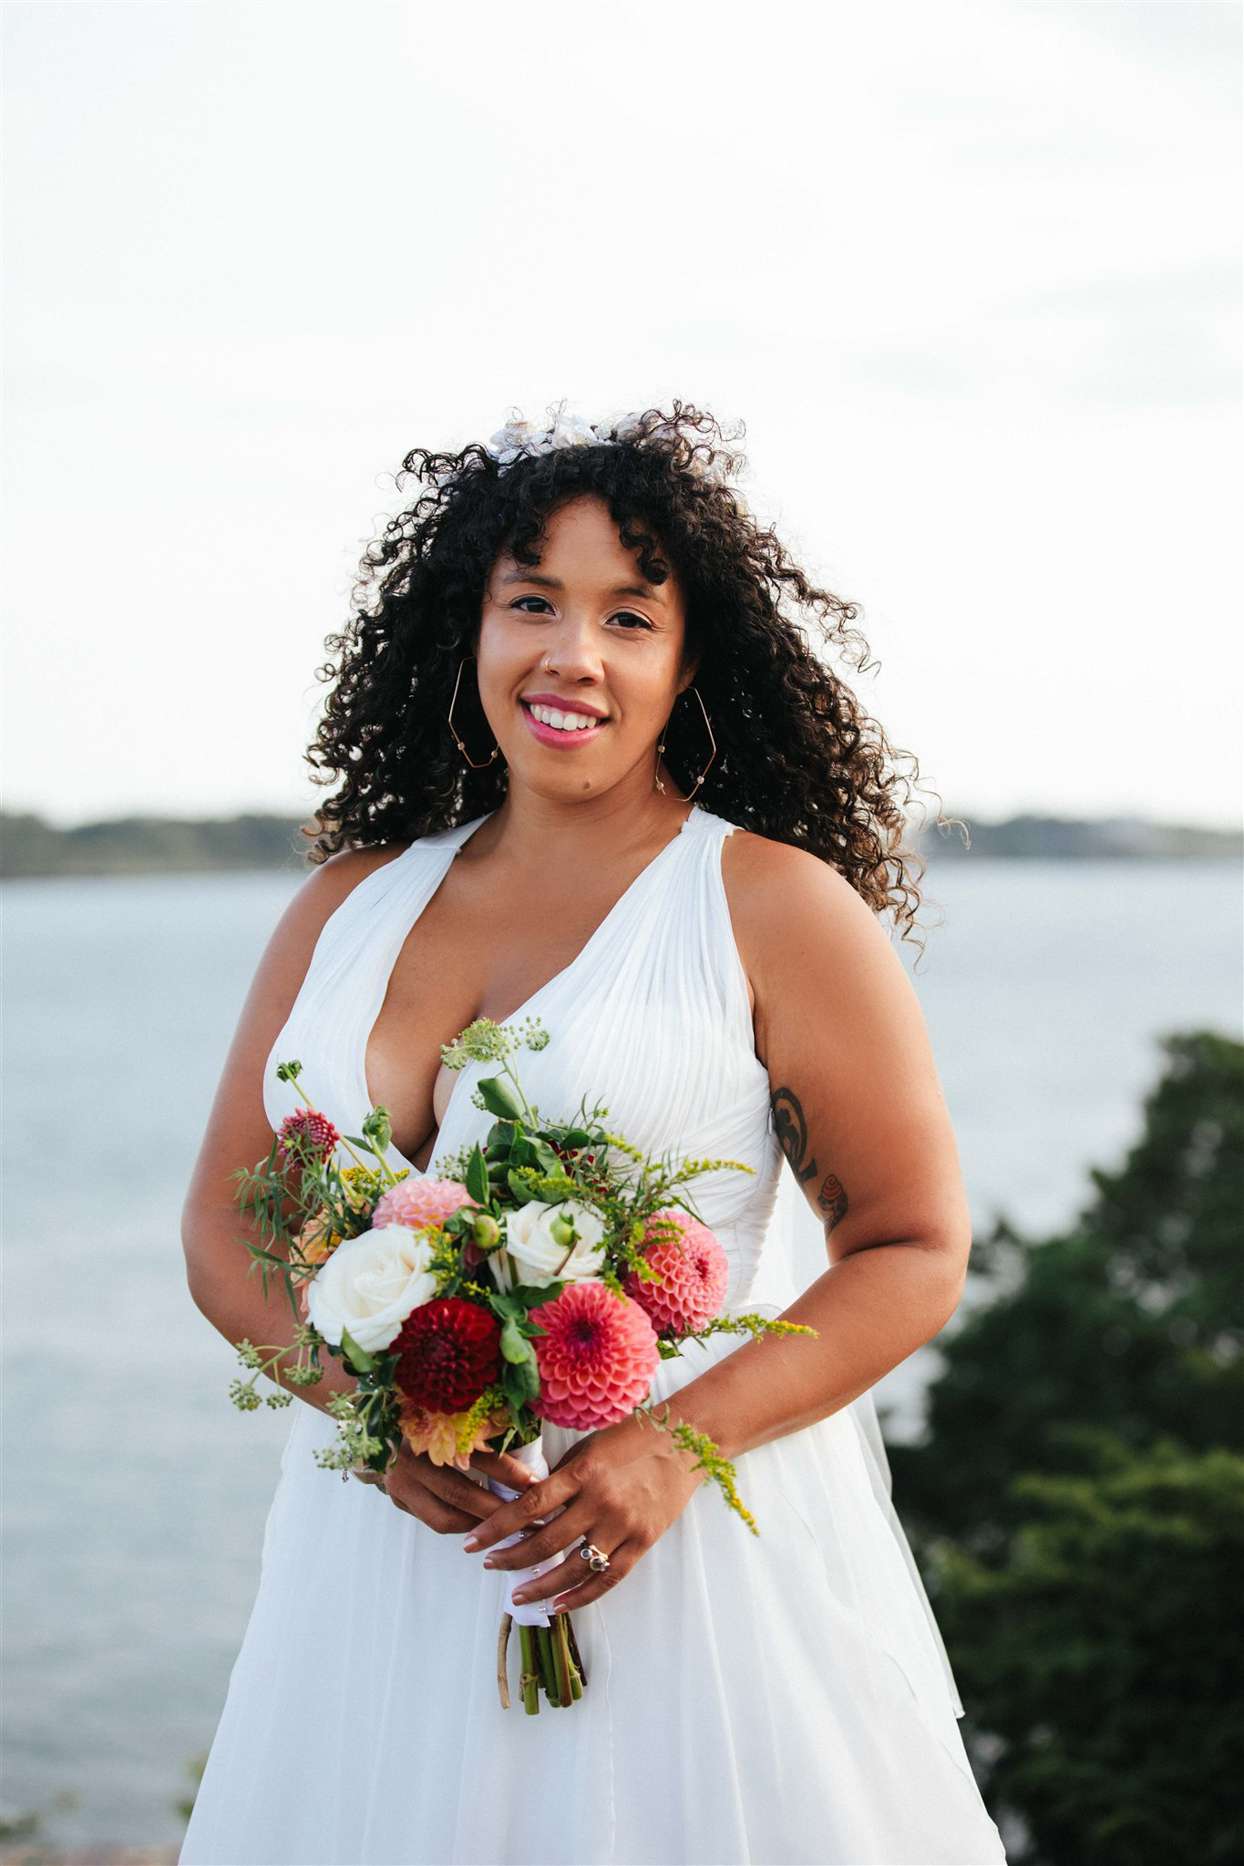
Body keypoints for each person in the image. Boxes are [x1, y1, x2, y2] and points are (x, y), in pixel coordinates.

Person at [178, 401, 1008, 1865]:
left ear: (689, 664)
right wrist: (365, 1421)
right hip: (381, 1574)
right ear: (469, 632)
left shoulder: (769, 905)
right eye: (532, 604)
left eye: (629, 616)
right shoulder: (345, 903)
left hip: (677, 1577)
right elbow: (227, 1228)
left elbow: (913, 1246)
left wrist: (675, 1445)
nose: (574, 654)